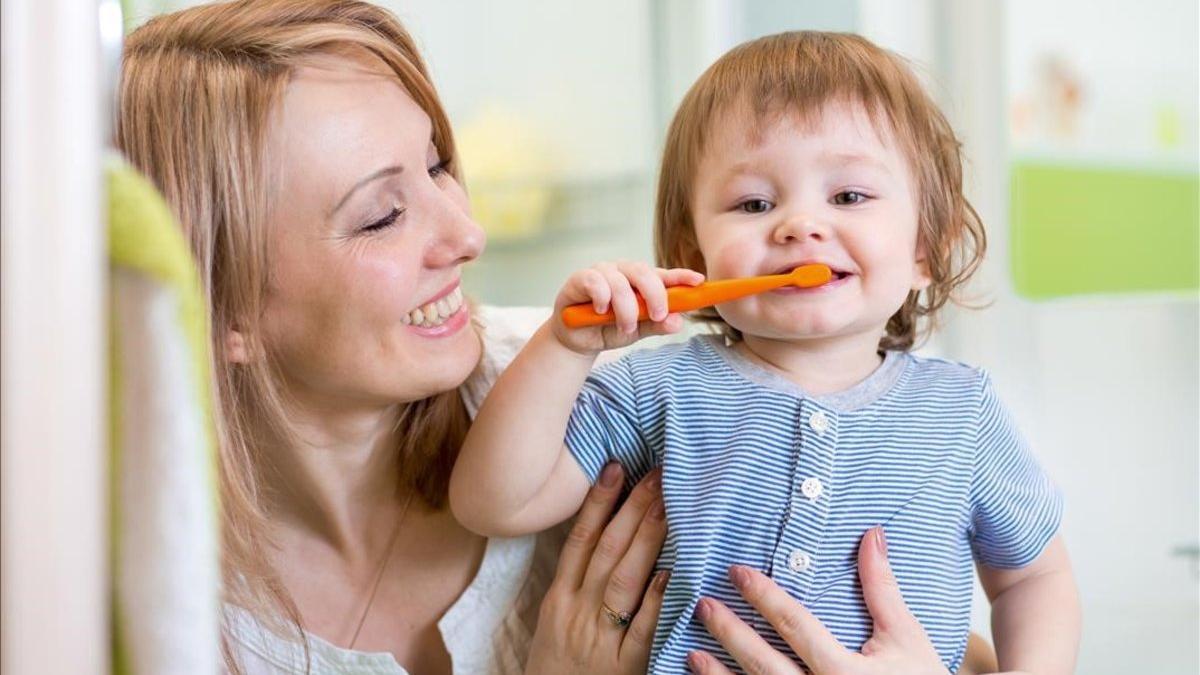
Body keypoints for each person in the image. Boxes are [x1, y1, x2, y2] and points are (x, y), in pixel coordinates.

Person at [118, 3, 996, 672]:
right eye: (383, 215)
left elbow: (946, 625)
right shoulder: (128, 586)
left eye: (437, 166)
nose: (467, 234)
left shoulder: (595, 379)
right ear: (217, 308)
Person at [450, 31, 1081, 674]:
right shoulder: (656, 385)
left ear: (925, 249)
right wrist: (562, 347)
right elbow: (495, 503)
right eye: (754, 203)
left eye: (848, 196)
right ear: (694, 257)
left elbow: (1032, 581)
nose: (799, 225)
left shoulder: (961, 411)